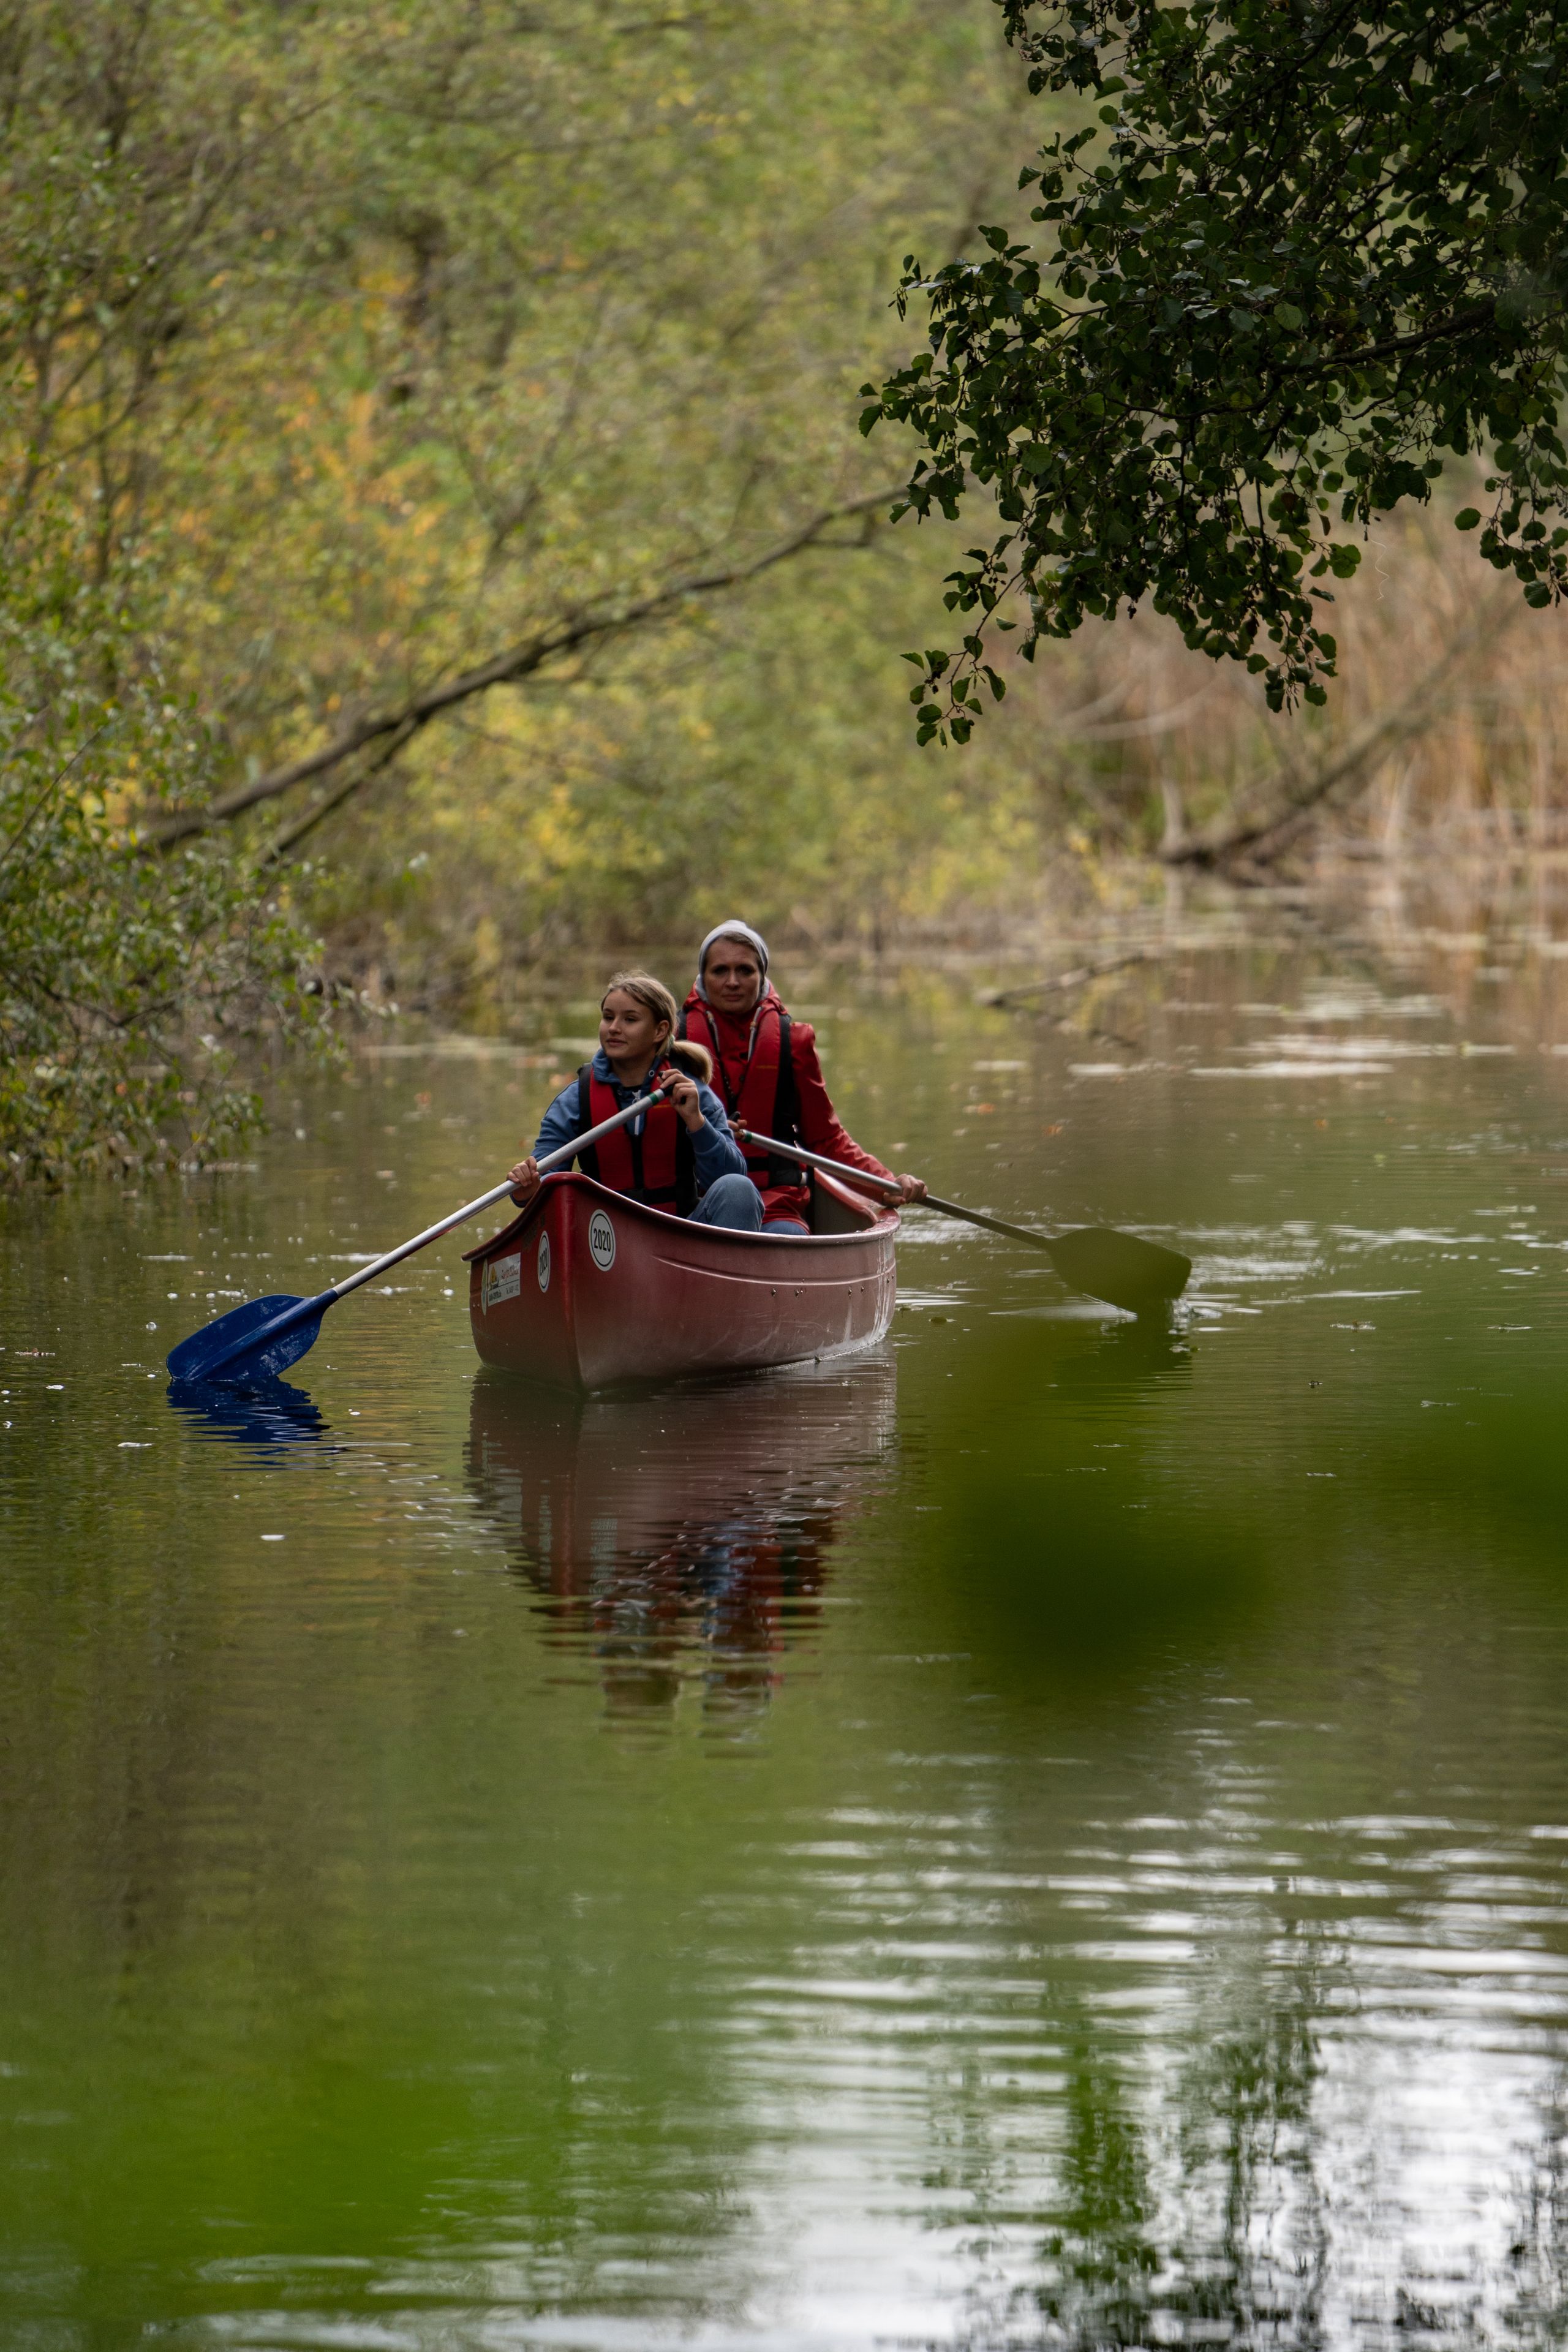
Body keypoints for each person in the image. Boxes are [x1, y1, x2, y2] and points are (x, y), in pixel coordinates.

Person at [679, 918, 926, 1235]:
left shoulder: (793, 1042)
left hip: (777, 1204)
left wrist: (884, 1183)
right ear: (703, 976)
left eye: (745, 970)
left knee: (789, 1239)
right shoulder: (674, 1041)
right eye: (719, 971)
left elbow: (825, 1138)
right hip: (695, 1205)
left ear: (762, 975)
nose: (732, 982)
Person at [507, 970, 764, 1229]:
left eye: (630, 1019)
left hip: (682, 1234)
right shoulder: (575, 1100)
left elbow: (731, 1178)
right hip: (604, 1243)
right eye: (608, 1017)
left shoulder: (692, 1094)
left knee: (738, 1188)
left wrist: (697, 1123)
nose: (614, 1028)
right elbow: (546, 1177)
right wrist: (530, 1188)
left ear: (660, 1031)